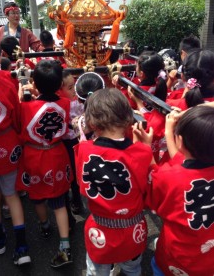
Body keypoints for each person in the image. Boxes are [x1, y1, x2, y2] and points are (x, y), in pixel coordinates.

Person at [74, 87, 153, 276]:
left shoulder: (84, 149)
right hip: (132, 228)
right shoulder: (142, 152)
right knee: (132, 269)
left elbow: (81, 184)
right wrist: (146, 146)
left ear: (92, 122)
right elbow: (147, 185)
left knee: (97, 270)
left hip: (100, 229)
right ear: (128, 117)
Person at [139, 106, 214, 276]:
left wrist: (146, 147)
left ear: (179, 140)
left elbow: (155, 179)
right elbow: (180, 160)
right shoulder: (186, 168)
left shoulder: (168, 176)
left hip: (176, 259)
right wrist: (169, 129)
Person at [16, 60, 73, 267]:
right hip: (56, 154)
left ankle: (44, 224)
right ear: (59, 84)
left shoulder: (25, 106)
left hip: (34, 157)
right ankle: (65, 246)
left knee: (37, 197)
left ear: (35, 84)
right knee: (59, 202)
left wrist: (24, 95)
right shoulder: (65, 104)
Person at [0, 34, 31, 265]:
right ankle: (22, 246)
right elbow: (16, 116)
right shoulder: (5, 82)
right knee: (11, 195)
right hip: (7, 145)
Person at [58, 71, 84, 215]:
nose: (74, 90)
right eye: (69, 88)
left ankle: (76, 200)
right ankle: (73, 200)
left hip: (73, 140)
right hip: (64, 142)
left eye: (74, 86)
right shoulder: (61, 103)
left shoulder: (76, 100)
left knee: (73, 172)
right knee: (69, 171)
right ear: (59, 90)